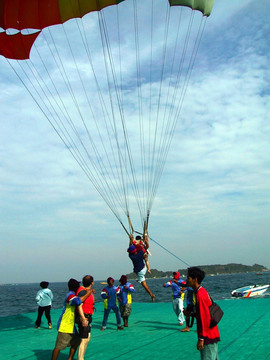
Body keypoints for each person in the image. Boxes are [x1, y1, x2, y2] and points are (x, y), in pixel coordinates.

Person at [51, 278, 90, 360]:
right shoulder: (70, 295)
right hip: (65, 326)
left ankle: (70, 358)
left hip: (70, 325)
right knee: (59, 346)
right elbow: (78, 301)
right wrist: (88, 293)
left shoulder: (72, 294)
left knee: (76, 342)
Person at [187, 267, 220, 360]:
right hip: (211, 334)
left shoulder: (200, 295)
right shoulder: (200, 292)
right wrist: (191, 314)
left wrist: (201, 339)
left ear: (195, 279)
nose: (187, 280)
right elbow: (202, 313)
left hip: (208, 336)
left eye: (188, 278)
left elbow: (204, 318)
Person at [127, 235, 155, 302]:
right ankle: (148, 270)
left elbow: (130, 246)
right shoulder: (140, 253)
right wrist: (145, 240)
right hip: (144, 268)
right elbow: (145, 248)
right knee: (146, 260)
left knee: (144, 284)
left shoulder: (131, 256)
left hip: (140, 272)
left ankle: (151, 294)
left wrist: (131, 239)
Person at [76, 275, 96, 360]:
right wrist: (83, 318)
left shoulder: (86, 291)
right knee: (83, 340)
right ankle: (80, 358)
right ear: (92, 283)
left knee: (87, 339)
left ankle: (82, 357)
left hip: (87, 316)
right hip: (84, 317)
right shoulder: (83, 292)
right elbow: (79, 305)